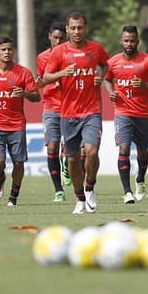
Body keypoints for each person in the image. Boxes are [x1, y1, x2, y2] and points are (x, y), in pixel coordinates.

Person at [43, 12, 109, 214]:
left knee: (92, 151)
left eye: (80, 27)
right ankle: (79, 197)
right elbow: (45, 77)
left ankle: (90, 187)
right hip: (68, 113)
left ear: (86, 28)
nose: (77, 31)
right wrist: (62, 74)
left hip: (92, 111)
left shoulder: (96, 49)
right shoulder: (59, 52)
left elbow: (105, 64)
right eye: (73, 28)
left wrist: (100, 76)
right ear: (67, 30)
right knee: (72, 159)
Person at [103, 25, 148, 204]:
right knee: (123, 148)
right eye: (126, 40)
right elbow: (106, 80)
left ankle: (140, 179)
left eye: (132, 40)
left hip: (143, 113)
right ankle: (127, 192)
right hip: (123, 113)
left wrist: (145, 85)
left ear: (138, 42)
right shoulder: (113, 62)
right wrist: (110, 92)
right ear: (121, 41)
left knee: (142, 151)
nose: (129, 43)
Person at [0, 37, 39, 207]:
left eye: (9, 49)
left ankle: (13, 196)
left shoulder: (24, 73)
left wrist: (25, 94)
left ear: (13, 51)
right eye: (3, 49)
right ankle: (0, 179)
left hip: (16, 125)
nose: (7, 52)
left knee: (18, 162)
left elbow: (37, 96)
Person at [36, 21, 68, 202]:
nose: (57, 41)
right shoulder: (42, 58)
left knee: (73, 152)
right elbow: (43, 80)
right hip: (51, 107)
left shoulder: (72, 56)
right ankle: (58, 190)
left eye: (61, 38)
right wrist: (40, 83)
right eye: (55, 37)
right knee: (52, 147)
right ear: (49, 37)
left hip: (71, 107)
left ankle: (66, 166)